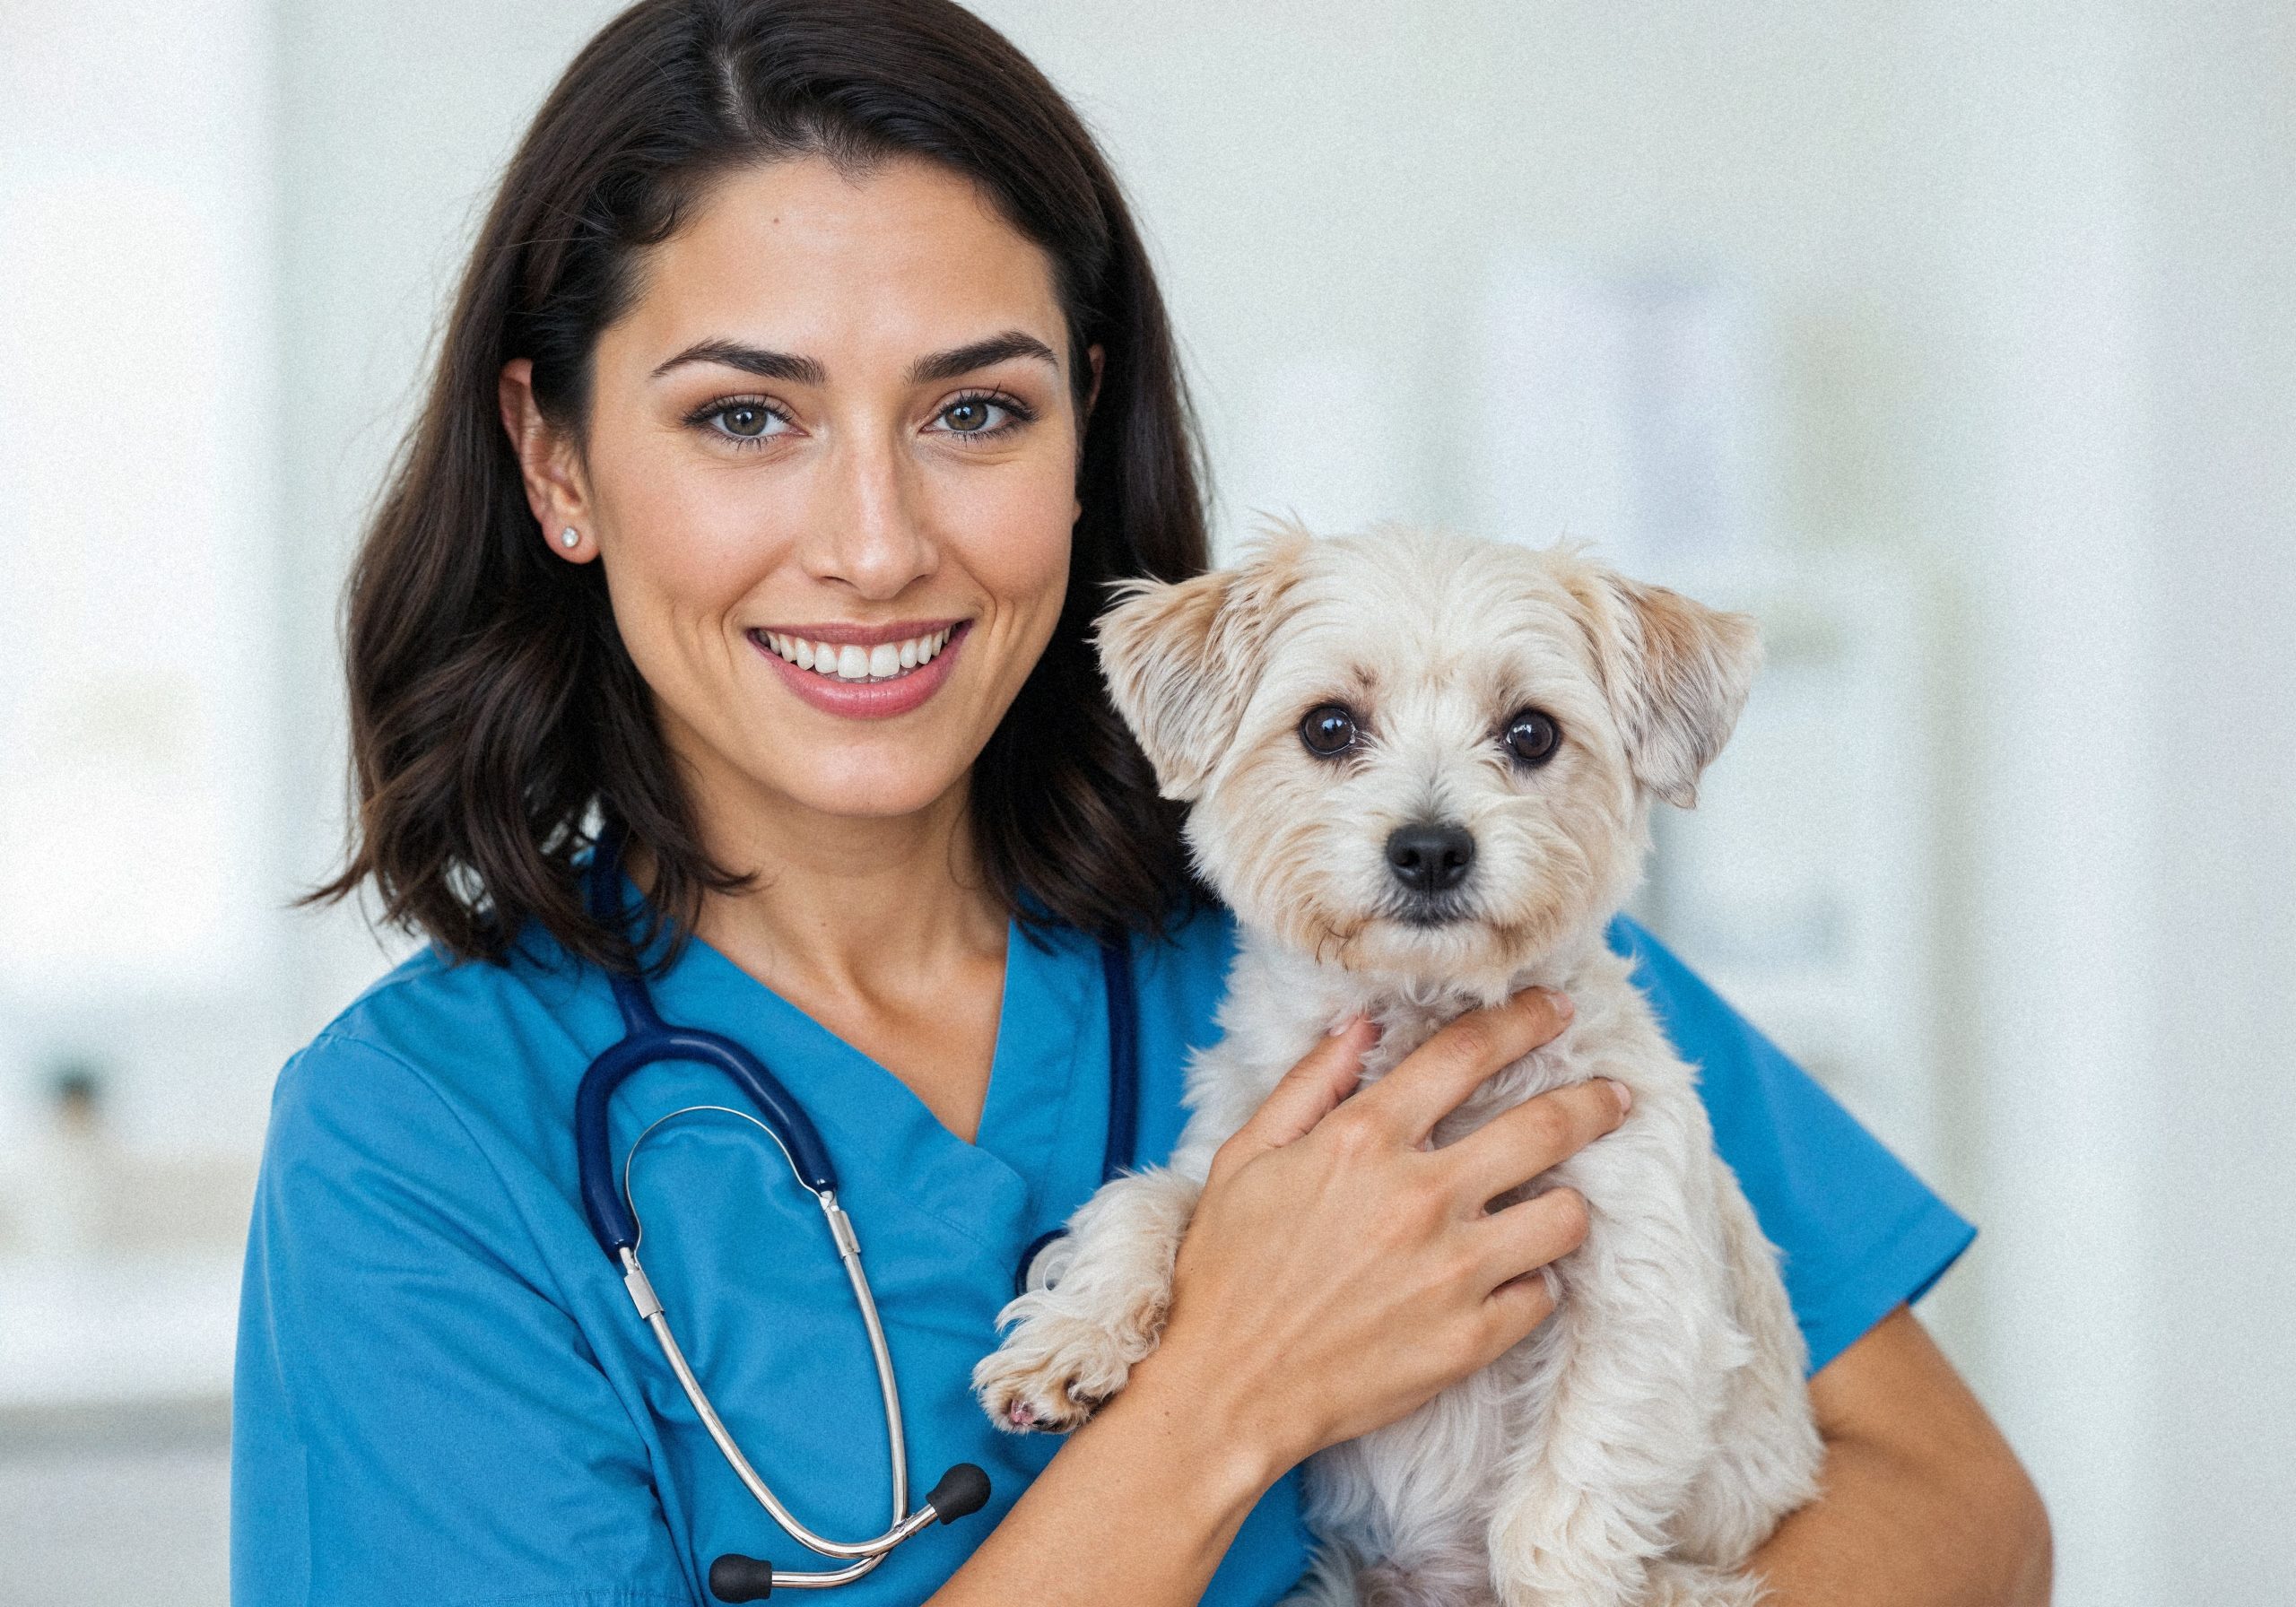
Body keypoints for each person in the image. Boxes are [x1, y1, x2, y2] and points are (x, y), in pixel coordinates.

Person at [230, 2, 2049, 1603]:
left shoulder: (1425, 937)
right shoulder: (420, 1146)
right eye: (744, 418)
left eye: (973, 413)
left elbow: (1963, 1517)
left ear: (1084, 438)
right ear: (556, 458)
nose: (875, 543)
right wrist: (1222, 1392)